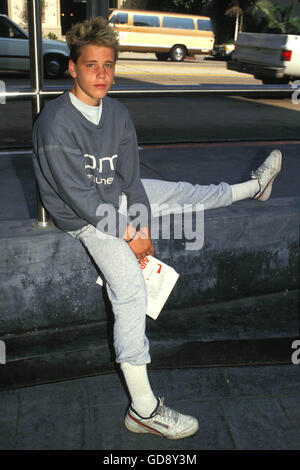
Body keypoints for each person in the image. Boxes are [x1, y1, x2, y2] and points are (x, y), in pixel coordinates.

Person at [32, 17, 282, 440]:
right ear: (72, 68)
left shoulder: (118, 114)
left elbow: (130, 181)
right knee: (129, 289)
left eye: (108, 65)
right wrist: (130, 235)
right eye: (91, 65)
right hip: (84, 220)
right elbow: (83, 201)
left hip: (117, 201)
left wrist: (140, 224)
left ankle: (255, 187)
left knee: (186, 192)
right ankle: (144, 410)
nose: (102, 75)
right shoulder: (55, 122)